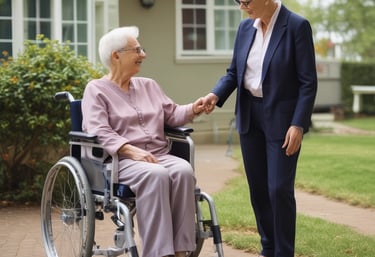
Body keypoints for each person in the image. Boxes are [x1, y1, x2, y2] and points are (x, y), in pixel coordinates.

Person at [202, 1, 317, 256]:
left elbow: (308, 83)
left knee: (278, 189)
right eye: (238, 2)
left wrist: (298, 123)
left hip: (283, 120)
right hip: (249, 117)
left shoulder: (296, 26)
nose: (242, 7)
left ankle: (283, 251)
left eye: (246, 1)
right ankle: (268, 248)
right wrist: (215, 95)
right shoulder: (245, 29)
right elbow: (234, 73)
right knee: (259, 189)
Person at [82, 26, 204, 257]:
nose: (143, 55)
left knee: (183, 170)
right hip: (122, 161)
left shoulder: (149, 85)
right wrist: (130, 151)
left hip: (159, 155)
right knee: (155, 175)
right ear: (116, 55)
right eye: (136, 50)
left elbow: (172, 114)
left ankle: (180, 251)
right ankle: (158, 253)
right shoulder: (96, 90)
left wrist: (193, 109)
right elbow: (99, 129)